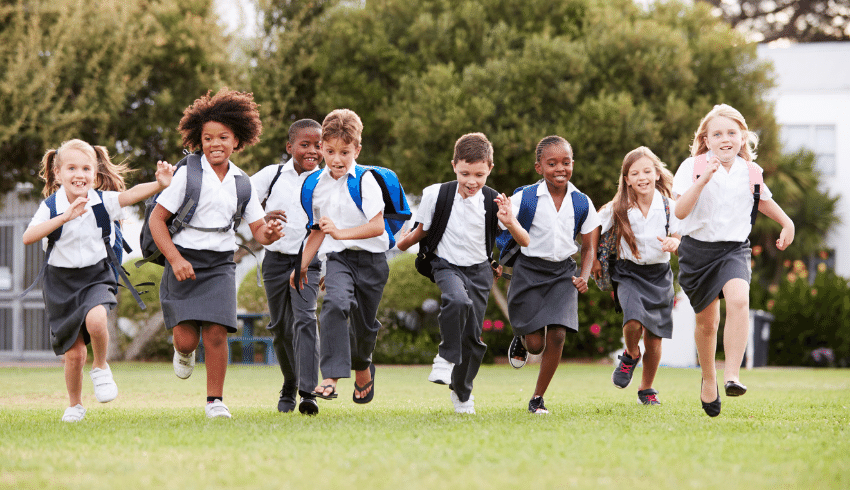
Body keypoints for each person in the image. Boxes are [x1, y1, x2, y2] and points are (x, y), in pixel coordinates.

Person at [149, 88, 284, 419]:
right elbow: (156, 219)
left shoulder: (243, 183)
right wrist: (176, 259)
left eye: (223, 137)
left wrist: (271, 233)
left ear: (237, 140)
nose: (215, 144)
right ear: (199, 140)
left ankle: (215, 402)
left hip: (220, 264)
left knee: (216, 332)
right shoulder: (188, 174)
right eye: (208, 138)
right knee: (185, 339)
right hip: (183, 260)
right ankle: (183, 353)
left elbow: (258, 232)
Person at [23, 139, 174, 422]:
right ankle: (75, 405)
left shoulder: (102, 201)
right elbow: (28, 237)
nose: (78, 174)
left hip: (96, 274)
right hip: (60, 282)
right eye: (71, 168)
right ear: (58, 174)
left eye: (85, 168)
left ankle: (102, 366)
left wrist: (159, 185)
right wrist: (65, 217)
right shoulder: (51, 206)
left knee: (96, 321)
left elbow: (130, 196)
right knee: (75, 354)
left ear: (94, 174)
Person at [673, 104, 794, 417]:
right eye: (717, 133)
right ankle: (709, 378)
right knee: (707, 322)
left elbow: (763, 200)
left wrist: (787, 223)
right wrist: (703, 179)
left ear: (743, 137)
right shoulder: (692, 166)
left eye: (731, 132)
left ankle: (732, 375)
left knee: (739, 300)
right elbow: (680, 211)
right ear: (707, 139)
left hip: (734, 249)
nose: (725, 138)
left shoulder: (751, 172)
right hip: (697, 252)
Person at [396, 132, 501, 414]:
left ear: (490, 168)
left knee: (474, 340)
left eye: (479, 174)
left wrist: (502, 258)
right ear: (454, 165)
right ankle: (445, 357)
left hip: (480, 271)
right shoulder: (435, 195)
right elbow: (422, 231)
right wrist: (401, 242)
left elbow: (506, 238)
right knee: (457, 301)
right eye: (465, 172)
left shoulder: (494, 201)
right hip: (446, 265)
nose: (471, 181)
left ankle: (462, 392)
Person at [291, 108, 387, 405]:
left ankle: (362, 366)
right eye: (330, 151)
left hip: (372, 261)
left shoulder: (366, 180)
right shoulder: (316, 185)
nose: (336, 159)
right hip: (339, 260)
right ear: (321, 147)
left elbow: (377, 226)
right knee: (334, 304)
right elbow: (318, 230)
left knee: (364, 327)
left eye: (345, 152)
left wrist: (340, 232)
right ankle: (330, 378)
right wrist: (302, 265)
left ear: (356, 150)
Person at [499, 135, 600, 414]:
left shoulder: (581, 202)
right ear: (539, 168)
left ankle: (537, 398)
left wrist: (585, 274)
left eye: (566, 163)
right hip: (529, 271)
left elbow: (590, 247)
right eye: (552, 163)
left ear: (572, 164)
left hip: (563, 274)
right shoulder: (526, 198)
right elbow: (502, 229)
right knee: (535, 345)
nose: (560, 169)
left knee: (557, 336)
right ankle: (521, 339)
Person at [592, 147, 681, 406]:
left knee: (654, 338)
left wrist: (674, 243)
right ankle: (631, 354)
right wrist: (595, 259)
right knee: (632, 322)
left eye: (646, 171)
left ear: (656, 174)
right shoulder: (617, 207)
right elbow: (594, 227)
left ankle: (647, 388)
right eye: (635, 173)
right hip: (628, 272)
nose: (641, 176)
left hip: (659, 275)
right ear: (626, 179)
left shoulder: (668, 206)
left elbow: (678, 234)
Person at [251, 119, 323, 415]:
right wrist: (263, 215)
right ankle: (290, 383)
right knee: (280, 329)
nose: (312, 151)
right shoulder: (272, 174)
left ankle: (308, 392)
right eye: (305, 145)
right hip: (275, 261)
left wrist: (323, 266)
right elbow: (243, 202)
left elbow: (328, 227)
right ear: (289, 146)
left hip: (309, 260)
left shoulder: (327, 180)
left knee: (306, 320)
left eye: (318, 145)